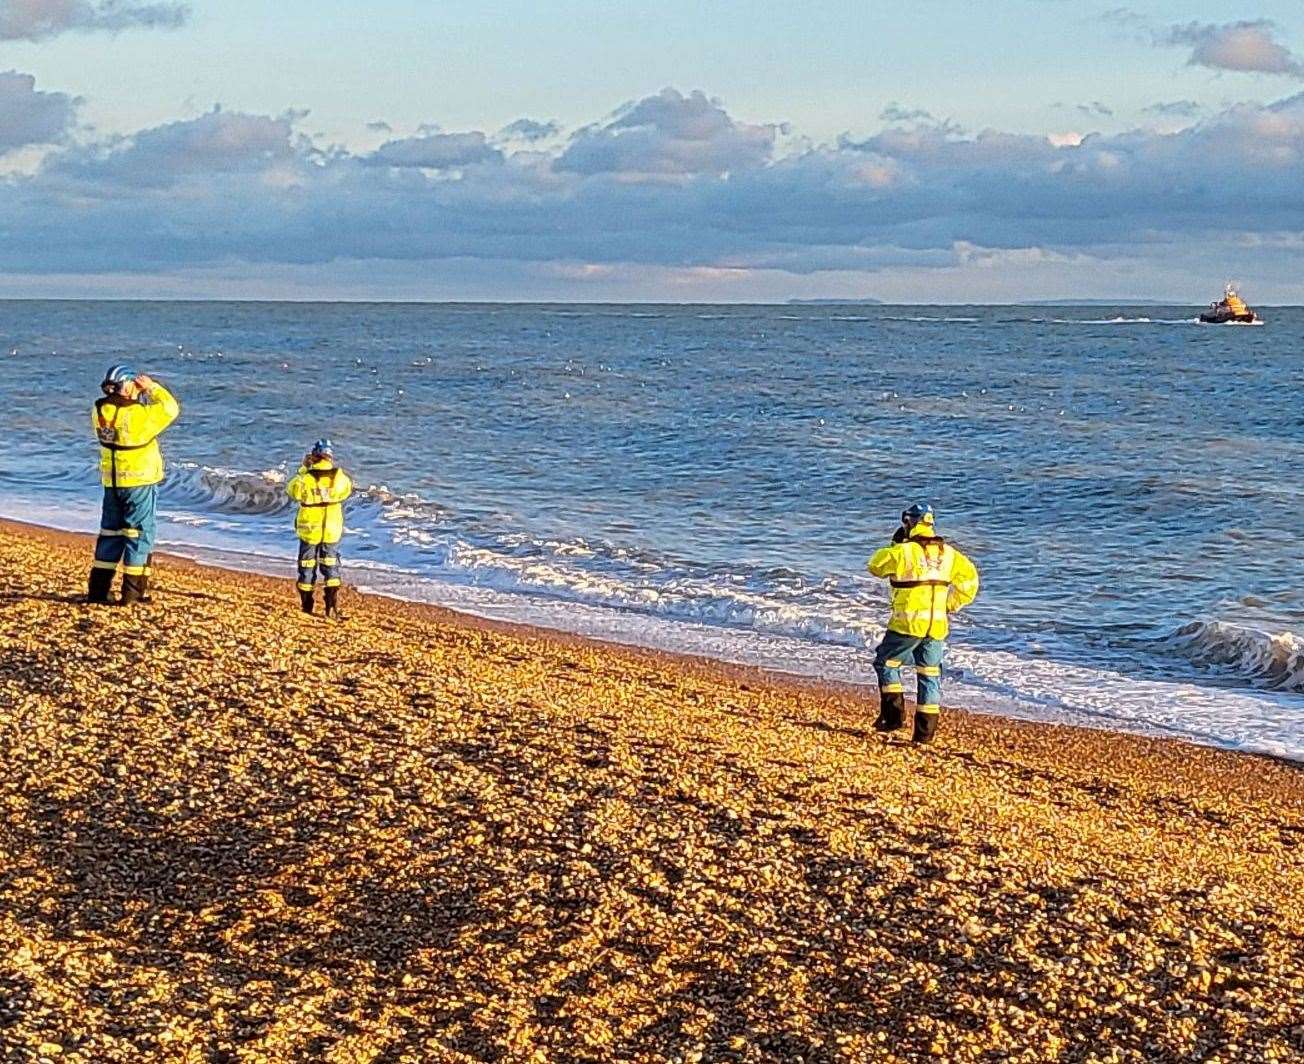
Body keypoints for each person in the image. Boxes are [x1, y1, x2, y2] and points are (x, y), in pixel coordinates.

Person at [866, 502, 980, 744]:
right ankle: (924, 735)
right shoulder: (949, 554)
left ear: (910, 524)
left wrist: (895, 545)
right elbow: (970, 582)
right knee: (929, 674)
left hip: (907, 623)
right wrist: (950, 604)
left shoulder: (903, 552)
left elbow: (875, 565)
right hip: (936, 625)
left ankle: (893, 718)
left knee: (886, 662)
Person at [88, 364, 181, 605]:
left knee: (110, 534)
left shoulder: (99, 410)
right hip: (139, 482)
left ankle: (98, 591)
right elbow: (170, 408)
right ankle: (132, 593)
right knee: (140, 535)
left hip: (113, 481)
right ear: (127, 386)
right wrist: (152, 388)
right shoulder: (139, 415)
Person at [286, 439, 354, 617]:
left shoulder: (306, 478)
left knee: (307, 567)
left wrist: (303, 469)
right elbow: (347, 490)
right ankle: (331, 607)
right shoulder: (339, 477)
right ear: (330, 457)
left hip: (310, 529)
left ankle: (307, 605)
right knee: (331, 567)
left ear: (314, 456)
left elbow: (292, 490)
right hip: (332, 528)